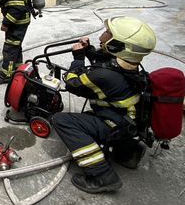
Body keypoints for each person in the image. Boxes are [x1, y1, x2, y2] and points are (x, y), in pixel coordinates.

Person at [51, 17, 157, 194]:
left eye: (108, 33)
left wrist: (77, 59)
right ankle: (127, 152)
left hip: (117, 125)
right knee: (91, 115)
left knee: (62, 120)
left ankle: (103, 176)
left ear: (118, 45)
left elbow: (72, 83)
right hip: (130, 121)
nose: (101, 36)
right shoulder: (130, 63)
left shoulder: (104, 77)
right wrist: (89, 50)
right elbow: (106, 61)